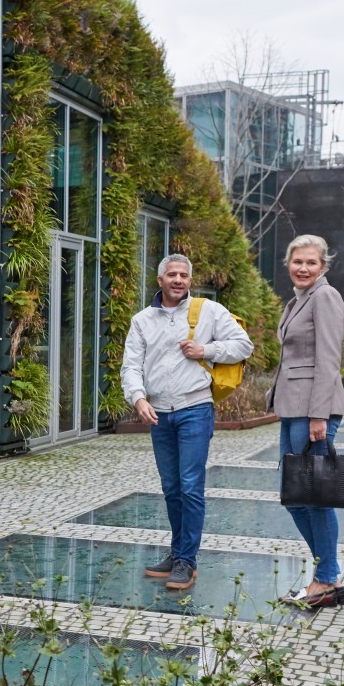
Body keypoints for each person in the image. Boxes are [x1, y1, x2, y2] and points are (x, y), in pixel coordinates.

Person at [119, 253, 254, 593]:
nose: (178, 280)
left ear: (189, 281)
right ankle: (177, 552)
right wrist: (138, 398)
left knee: (191, 485)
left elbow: (243, 345)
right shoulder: (142, 320)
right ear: (160, 280)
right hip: (159, 414)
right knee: (172, 488)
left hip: (195, 409)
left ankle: (187, 562)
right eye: (172, 274)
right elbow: (131, 365)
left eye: (183, 275)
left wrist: (205, 350)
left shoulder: (209, 311)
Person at [269, 234, 344, 610]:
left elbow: (329, 359)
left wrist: (319, 413)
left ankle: (326, 579)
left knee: (315, 497)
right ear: (288, 264)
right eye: (297, 262)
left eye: (311, 263)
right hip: (292, 409)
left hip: (313, 410)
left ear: (323, 266)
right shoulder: (297, 301)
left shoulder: (326, 297)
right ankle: (326, 573)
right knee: (295, 497)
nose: (303, 268)